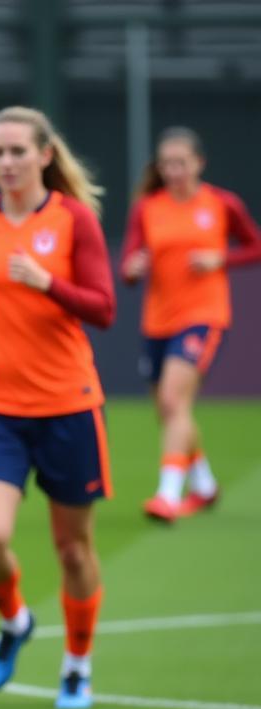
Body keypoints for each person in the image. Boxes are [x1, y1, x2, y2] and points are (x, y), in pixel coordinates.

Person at [0, 106, 116, 709]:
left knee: (73, 549)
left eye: (17, 151)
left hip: (69, 405)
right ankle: (15, 622)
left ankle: (77, 665)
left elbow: (103, 308)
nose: (6, 163)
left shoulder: (72, 221)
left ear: (45, 154)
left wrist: (48, 282)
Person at [120, 126, 261, 522]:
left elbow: (254, 245)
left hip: (204, 315)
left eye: (181, 162)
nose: (174, 170)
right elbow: (129, 263)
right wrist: (133, 268)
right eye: (166, 163)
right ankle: (204, 484)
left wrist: (222, 259)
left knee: (172, 400)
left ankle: (168, 494)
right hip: (157, 320)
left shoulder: (221, 204)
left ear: (199, 163)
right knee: (169, 410)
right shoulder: (148, 207)